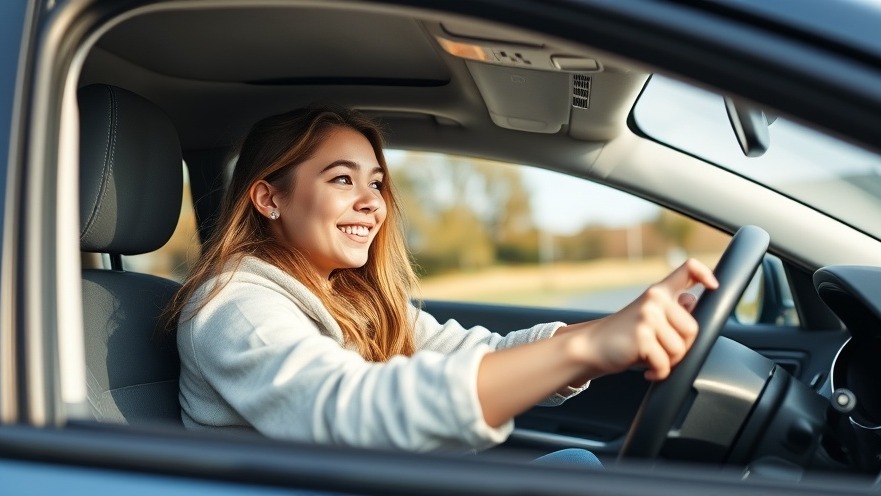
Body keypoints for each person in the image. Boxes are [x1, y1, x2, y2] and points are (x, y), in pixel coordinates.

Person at [166, 104, 718, 460]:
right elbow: (346, 413)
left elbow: (481, 352)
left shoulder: (350, 295)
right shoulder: (232, 306)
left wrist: (601, 343)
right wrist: (588, 345)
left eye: (377, 183)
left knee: (575, 466)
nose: (372, 202)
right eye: (342, 179)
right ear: (269, 198)